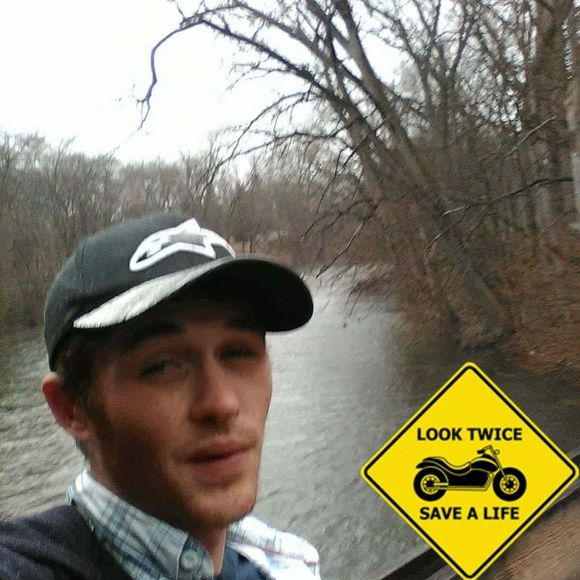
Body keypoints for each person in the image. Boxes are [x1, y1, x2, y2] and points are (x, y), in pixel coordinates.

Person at [0, 212, 321, 579]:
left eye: (237, 352)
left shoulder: (282, 561)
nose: (222, 404)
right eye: (162, 366)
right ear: (71, 406)